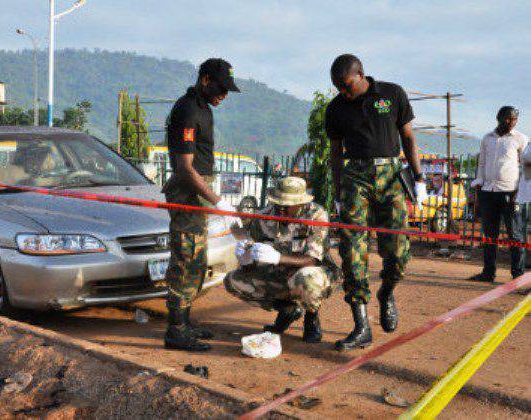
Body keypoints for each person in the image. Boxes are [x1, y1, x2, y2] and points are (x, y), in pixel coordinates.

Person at [325, 54, 428, 351]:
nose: (342, 92)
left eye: (345, 86)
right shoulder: (335, 109)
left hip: (391, 176)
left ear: (361, 75)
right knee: (352, 251)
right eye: (337, 87)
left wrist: (419, 178)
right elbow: (335, 152)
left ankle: (386, 292)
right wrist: (338, 194)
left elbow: (408, 137)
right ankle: (361, 326)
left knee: (398, 254)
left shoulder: (392, 94)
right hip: (354, 177)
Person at [162, 58, 242, 352]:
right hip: (187, 194)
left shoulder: (203, 108)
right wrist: (218, 201)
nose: (224, 95)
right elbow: (184, 168)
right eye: (221, 88)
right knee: (185, 260)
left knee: (197, 260)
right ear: (205, 80)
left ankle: (185, 322)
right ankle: (175, 331)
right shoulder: (188, 109)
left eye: (228, 91)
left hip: (197, 191)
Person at [224, 177, 341, 342]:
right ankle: (288, 310)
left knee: (307, 279)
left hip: (314, 273)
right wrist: (246, 259)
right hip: (278, 275)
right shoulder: (263, 217)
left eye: (286, 206)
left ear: (300, 203)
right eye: (277, 204)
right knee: (233, 280)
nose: (280, 210)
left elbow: (313, 260)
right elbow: (255, 255)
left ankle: (311, 318)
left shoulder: (316, 215)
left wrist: (278, 257)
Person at [469, 106, 528, 282]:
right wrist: (479, 193)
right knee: (489, 235)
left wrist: (520, 192)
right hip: (488, 192)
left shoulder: (521, 139)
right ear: (499, 118)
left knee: (516, 236)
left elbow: (528, 168)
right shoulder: (487, 139)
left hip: (511, 193)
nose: (511, 122)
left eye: (515, 119)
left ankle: (517, 276)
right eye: (508, 118)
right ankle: (488, 273)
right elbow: (481, 166)